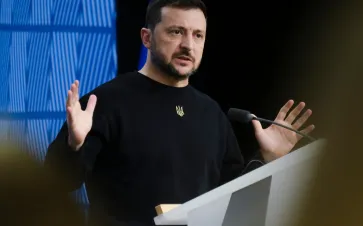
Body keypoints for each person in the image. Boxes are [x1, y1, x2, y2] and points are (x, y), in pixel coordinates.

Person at [44, 0, 315, 225]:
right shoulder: (105, 102)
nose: (188, 45)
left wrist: (266, 159)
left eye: (198, 35)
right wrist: (73, 145)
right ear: (146, 38)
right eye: (176, 32)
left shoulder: (211, 113)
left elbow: (233, 201)